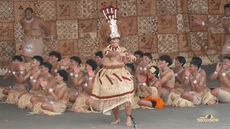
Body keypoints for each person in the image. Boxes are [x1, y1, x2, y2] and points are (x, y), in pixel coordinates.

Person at [91, 6, 136, 127]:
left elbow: (127, 56)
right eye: (113, 39)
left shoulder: (123, 49)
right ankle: (117, 118)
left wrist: (131, 57)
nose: (116, 40)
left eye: (117, 39)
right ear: (109, 40)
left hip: (121, 73)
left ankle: (128, 118)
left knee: (126, 95)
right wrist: (118, 53)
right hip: (108, 75)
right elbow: (109, 54)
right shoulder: (105, 50)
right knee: (113, 98)